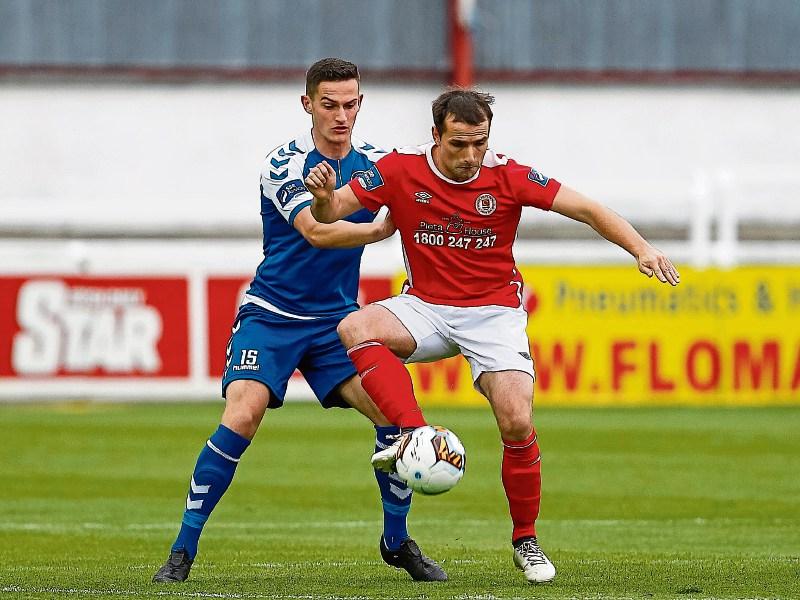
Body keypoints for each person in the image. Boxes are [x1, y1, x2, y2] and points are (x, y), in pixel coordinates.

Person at [304, 89, 681, 584]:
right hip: (427, 307)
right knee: (355, 326)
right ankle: (416, 433)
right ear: (435, 135)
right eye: (459, 144)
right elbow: (331, 214)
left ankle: (525, 539)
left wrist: (641, 249)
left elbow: (586, 208)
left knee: (517, 421)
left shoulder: (507, 175)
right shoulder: (399, 169)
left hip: (493, 313)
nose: (470, 156)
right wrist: (324, 196)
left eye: (479, 143)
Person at [152, 58, 446, 584]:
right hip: (273, 314)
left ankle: (397, 541)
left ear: (361, 103)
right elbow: (315, 230)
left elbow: (429, 187)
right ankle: (183, 548)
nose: (341, 115)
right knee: (244, 414)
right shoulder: (285, 163)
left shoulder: (378, 161)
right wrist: (379, 233)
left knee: (390, 414)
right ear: (307, 104)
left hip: (337, 321)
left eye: (350, 104)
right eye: (329, 104)